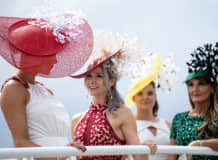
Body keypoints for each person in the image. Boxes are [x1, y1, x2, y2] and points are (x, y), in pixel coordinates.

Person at [0, 12, 93, 159]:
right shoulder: (14, 89)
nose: (55, 61)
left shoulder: (45, 90)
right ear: (36, 57)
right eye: (52, 55)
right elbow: (21, 143)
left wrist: (67, 151)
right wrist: (60, 154)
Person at [70, 31, 155, 160]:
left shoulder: (123, 113)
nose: (92, 81)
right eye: (88, 76)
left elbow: (139, 157)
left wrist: (146, 148)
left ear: (111, 81)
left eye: (99, 76)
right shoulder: (76, 120)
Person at [167, 42, 218, 160]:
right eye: (191, 85)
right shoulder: (178, 118)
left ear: (212, 88)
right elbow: (172, 156)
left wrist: (200, 144)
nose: (195, 89)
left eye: (201, 84)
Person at [125, 54, 178, 160]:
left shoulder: (168, 125)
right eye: (140, 94)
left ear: (155, 96)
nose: (145, 97)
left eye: (150, 93)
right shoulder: (128, 126)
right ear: (133, 98)